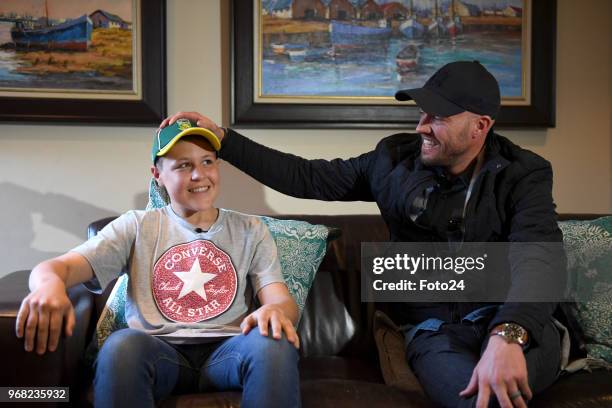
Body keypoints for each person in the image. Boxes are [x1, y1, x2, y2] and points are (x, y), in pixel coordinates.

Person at [162, 61, 566, 408]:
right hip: (433, 330)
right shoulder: (393, 159)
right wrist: (225, 140)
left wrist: (508, 335)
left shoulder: (524, 173)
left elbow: (539, 257)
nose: (421, 126)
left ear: (481, 126)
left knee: (508, 385)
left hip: (515, 321)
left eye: (438, 117)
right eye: (422, 112)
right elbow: (308, 177)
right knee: (484, 399)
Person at [15, 119, 301, 408]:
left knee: (274, 344)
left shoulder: (250, 229)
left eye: (207, 162)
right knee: (121, 346)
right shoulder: (137, 226)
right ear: (157, 175)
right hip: (158, 352)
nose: (199, 175)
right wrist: (47, 287)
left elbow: (281, 301)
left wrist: (276, 310)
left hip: (229, 351)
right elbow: (56, 268)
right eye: (183, 166)